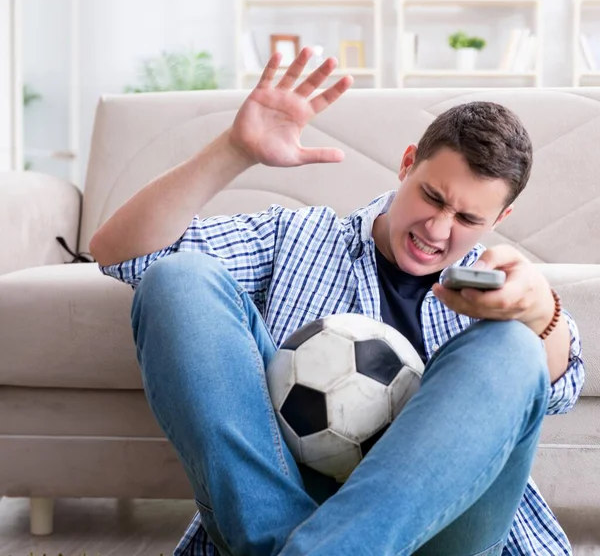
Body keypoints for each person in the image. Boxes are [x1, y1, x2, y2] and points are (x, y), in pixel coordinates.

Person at [90, 48, 584, 556]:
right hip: (283, 505)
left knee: (514, 349)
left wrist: (538, 314)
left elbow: (561, 388)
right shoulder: (299, 236)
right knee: (177, 279)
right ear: (407, 163)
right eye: (432, 197)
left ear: (498, 220)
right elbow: (120, 253)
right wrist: (235, 150)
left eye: (468, 219)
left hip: (443, 530)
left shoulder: (502, 286)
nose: (438, 229)